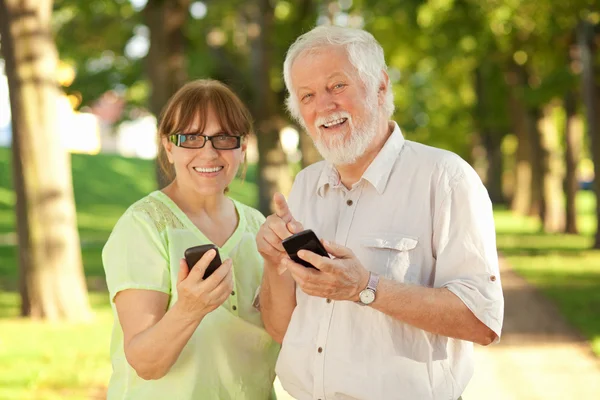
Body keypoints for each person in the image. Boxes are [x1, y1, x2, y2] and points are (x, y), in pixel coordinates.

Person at [256, 26, 504, 400]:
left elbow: (482, 322)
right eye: (307, 95)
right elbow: (283, 330)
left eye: (337, 86)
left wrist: (366, 287)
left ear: (381, 86)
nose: (323, 106)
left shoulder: (445, 178)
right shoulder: (305, 185)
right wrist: (272, 262)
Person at [102, 79, 279, 399]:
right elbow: (146, 363)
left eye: (223, 137)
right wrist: (189, 309)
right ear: (169, 147)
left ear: (242, 147)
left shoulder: (258, 226)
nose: (209, 152)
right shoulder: (144, 226)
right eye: (191, 138)